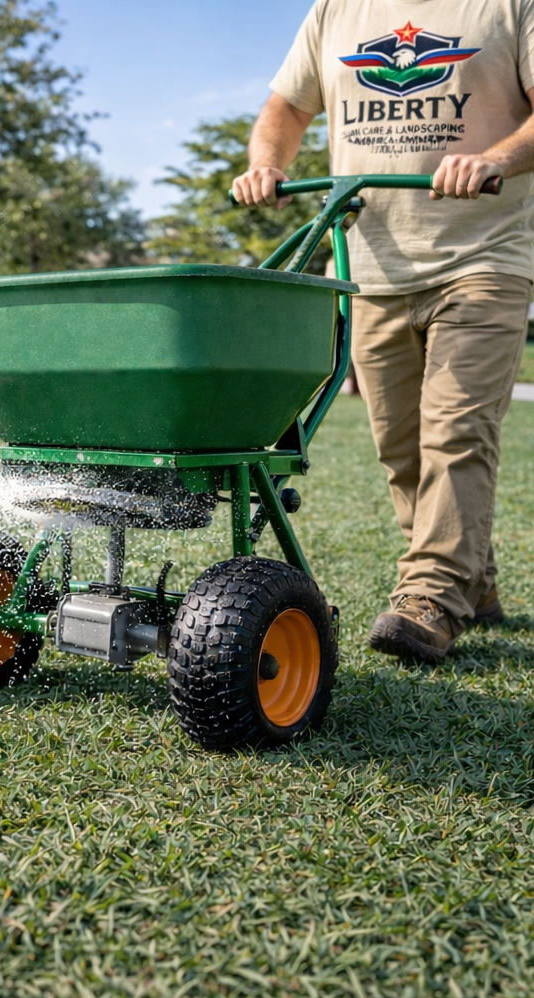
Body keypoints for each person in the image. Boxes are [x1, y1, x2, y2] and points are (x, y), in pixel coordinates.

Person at [232, 0, 534, 664]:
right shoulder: (336, 12)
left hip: (483, 259)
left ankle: (429, 596)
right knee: (402, 450)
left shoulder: (509, 7)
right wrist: (268, 164)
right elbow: (284, 108)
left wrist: (496, 160)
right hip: (369, 267)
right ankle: (472, 584)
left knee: (456, 431)